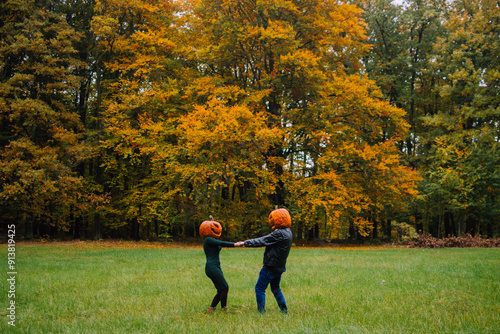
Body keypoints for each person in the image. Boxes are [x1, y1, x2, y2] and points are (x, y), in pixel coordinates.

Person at [235, 208, 293, 314]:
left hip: (271, 266)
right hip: (279, 266)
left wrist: (245, 243)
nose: (272, 221)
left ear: (279, 219)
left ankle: (261, 312)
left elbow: (263, 240)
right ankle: (284, 311)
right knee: (275, 288)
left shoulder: (279, 233)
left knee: (260, 288)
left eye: (274, 219)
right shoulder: (288, 231)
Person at [200, 218, 242, 313]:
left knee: (221, 289)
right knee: (225, 287)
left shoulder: (212, 240)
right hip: (211, 267)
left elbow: (220, 244)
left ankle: (211, 309)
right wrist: (235, 244)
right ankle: (223, 308)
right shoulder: (208, 239)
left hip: (216, 267)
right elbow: (221, 243)